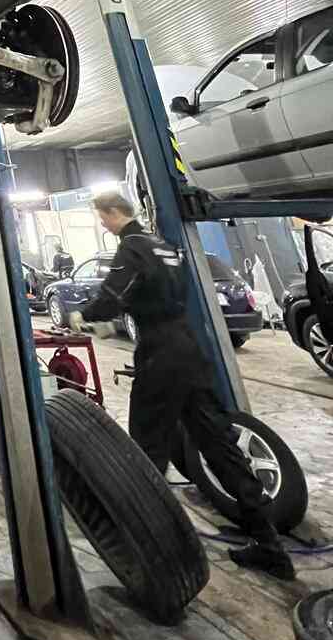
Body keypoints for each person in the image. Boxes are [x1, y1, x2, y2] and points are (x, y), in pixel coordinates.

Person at [71, 191, 294, 579]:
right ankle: (270, 546)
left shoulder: (132, 246)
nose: (102, 223)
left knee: (146, 449)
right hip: (189, 349)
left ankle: (152, 554)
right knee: (220, 446)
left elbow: (113, 295)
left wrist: (84, 315)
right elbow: (162, 291)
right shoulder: (164, 246)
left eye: (102, 217)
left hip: (161, 354)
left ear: (113, 212)